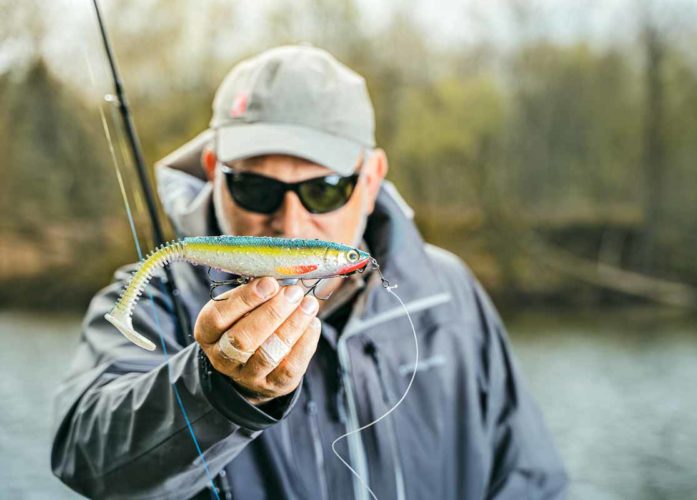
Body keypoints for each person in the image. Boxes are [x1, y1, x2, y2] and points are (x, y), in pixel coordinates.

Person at [51, 45, 567, 499]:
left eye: (324, 189)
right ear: (214, 172)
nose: (289, 221)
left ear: (371, 180)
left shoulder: (450, 292)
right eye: (255, 188)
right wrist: (218, 393)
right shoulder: (152, 299)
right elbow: (88, 458)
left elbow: (528, 479)